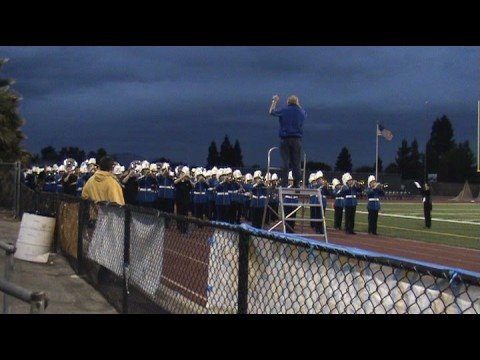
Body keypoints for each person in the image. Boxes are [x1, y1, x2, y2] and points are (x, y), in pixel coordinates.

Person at [269, 94, 306, 188]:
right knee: (296, 162)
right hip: (297, 140)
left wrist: (274, 101)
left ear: (287, 102)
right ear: (297, 102)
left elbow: (271, 112)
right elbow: (304, 114)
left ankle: (284, 181)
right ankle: (296, 182)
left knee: (285, 161)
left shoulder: (284, 110)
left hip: (285, 139)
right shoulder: (301, 111)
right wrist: (298, 105)